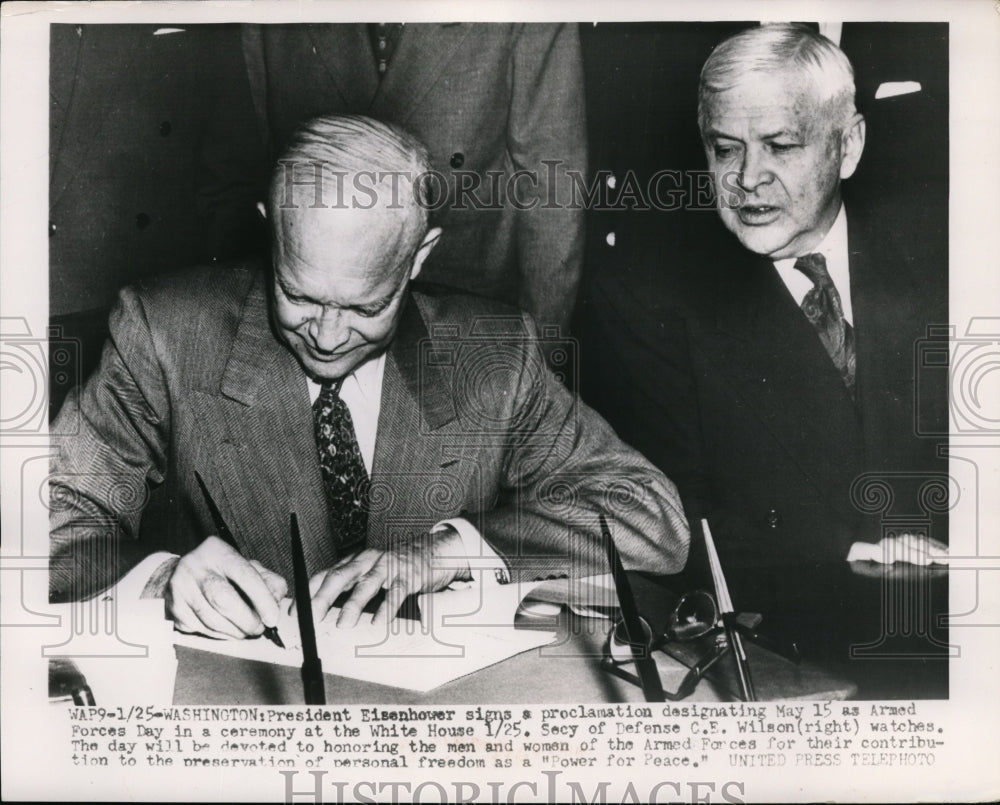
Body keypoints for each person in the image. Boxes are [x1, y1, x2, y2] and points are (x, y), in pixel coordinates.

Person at [49, 114, 689, 641]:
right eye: (297, 296)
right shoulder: (163, 334)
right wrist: (162, 579)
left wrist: (448, 551)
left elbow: (651, 516)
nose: (325, 337)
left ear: (419, 259)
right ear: (271, 232)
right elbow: (44, 526)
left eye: (363, 307)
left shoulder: (490, 354)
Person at [580, 25, 948, 645]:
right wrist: (851, 546)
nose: (748, 178)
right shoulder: (646, 293)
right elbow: (668, 517)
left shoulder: (948, 255)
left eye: (780, 145)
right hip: (784, 630)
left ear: (848, 145)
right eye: (726, 149)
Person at [202, 23, 587, 334]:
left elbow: (554, 190)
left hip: (463, 310)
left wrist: (541, 355)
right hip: (309, 311)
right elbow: (236, 170)